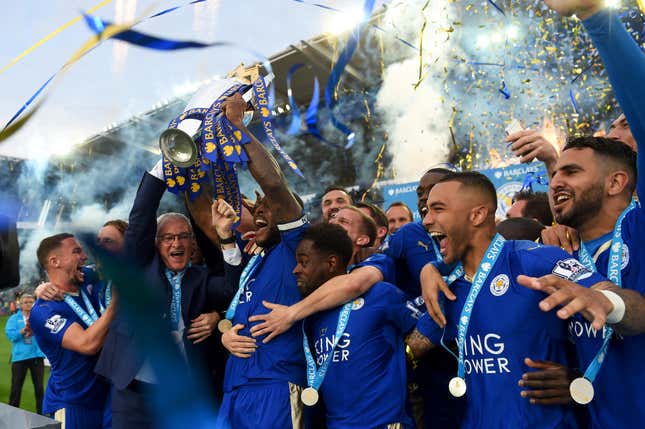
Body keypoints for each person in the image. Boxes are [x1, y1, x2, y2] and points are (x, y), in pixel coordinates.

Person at [246, 167, 462, 429]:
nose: (334, 221)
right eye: (332, 218)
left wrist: (406, 356)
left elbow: (429, 310)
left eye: (344, 221)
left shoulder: (379, 280)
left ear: (364, 239)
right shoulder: (313, 301)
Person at [414, 171, 611, 428]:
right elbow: (415, 346)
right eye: (426, 211)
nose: (427, 220)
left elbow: (612, 302)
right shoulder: (448, 288)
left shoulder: (538, 260)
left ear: (477, 215)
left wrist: (581, 378)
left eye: (437, 209)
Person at [93, 161, 242, 429]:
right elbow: (140, 219)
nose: (177, 243)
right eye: (168, 238)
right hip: (134, 394)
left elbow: (233, 290)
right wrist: (164, 168)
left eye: (184, 236)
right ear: (156, 243)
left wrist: (226, 237)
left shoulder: (202, 278)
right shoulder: (139, 270)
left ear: (193, 242)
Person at [216, 92, 309, 428]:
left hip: (276, 384)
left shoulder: (294, 246)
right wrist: (225, 333)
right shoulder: (256, 260)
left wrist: (238, 127)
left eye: (267, 208)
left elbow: (272, 183)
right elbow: (233, 314)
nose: (258, 212)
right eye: (255, 210)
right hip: (235, 386)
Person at [294, 223, 415, 428]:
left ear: (331, 263)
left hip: (384, 423)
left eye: (303, 262)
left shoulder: (380, 294)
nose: (295, 270)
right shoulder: (311, 315)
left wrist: (410, 355)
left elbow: (425, 327)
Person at [30, 233, 116, 428]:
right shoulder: (44, 310)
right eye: (76, 251)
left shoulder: (88, 279)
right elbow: (87, 344)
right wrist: (116, 305)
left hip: (109, 398)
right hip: (73, 403)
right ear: (55, 261)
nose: (84, 257)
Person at [5, 293, 46, 414]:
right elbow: (11, 336)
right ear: (21, 305)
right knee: (16, 388)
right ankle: (11, 414)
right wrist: (23, 331)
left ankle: (42, 414)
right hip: (20, 358)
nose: (28, 304)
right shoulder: (14, 319)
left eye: (31, 302)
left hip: (36, 357)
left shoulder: (38, 317)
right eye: (26, 302)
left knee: (39, 388)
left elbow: (46, 333)